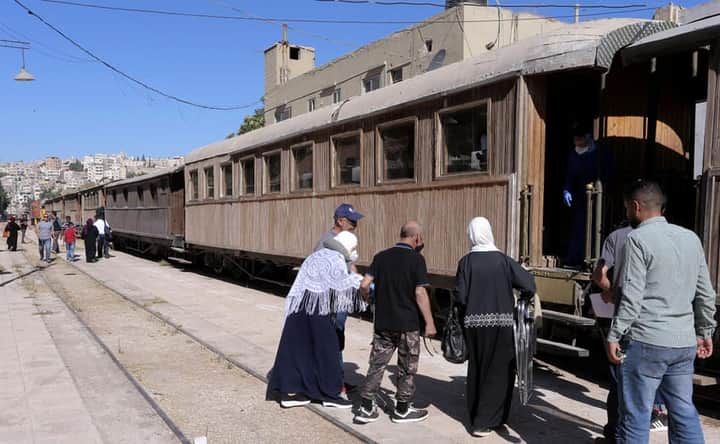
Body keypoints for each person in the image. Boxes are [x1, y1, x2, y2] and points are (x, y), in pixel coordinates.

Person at [607, 180, 716, 444]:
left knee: (636, 417)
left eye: (626, 209)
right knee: (684, 412)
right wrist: (705, 331)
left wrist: (614, 334)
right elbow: (706, 293)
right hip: (683, 343)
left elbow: (632, 296)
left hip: (647, 342)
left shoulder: (637, 239)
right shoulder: (691, 238)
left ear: (636, 207)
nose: (626, 215)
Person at [453, 217, 536, 437]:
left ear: (471, 234)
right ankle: (490, 419)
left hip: (474, 325)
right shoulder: (503, 260)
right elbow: (529, 284)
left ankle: (476, 417)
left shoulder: (466, 262)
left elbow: (460, 297)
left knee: (478, 369)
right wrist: (522, 300)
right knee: (500, 372)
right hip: (502, 324)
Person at [268, 231, 366, 409]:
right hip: (316, 310)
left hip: (299, 307)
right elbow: (341, 284)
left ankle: (291, 392)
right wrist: (361, 281)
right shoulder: (335, 258)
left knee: (299, 350)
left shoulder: (317, 255)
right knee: (326, 349)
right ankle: (328, 394)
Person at [592, 222, 668, 443]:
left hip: (628, 321)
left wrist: (612, 291)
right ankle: (656, 414)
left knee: (620, 382)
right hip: (661, 321)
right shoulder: (675, 235)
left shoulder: (618, 236)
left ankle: (616, 436)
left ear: (633, 207)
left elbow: (599, 274)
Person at [354, 221, 437, 424]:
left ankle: (366, 407)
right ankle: (402, 409)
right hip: (407, 324)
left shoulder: (381, 257)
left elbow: (364, 284)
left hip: (383, 322)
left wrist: (369, 299)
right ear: (416, 238)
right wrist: (430, 322)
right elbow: (419, 292)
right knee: (407, 367)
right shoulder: (417, 259)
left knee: (377, 364)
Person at [314, 203, 365, 394]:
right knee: (332, 339)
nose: (355, 226)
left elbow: (350, 266)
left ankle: (338, 378)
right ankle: (332, 382)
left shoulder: (345, 240)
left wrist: (359, 282)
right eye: (352, 222)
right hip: (331, 301)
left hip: (341, 299)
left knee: (338, 339)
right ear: (340, 221)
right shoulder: (326, 242)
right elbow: (320, 272)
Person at [562, 124, 611, 267]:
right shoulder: (574, 153)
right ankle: (574, 259)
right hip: (579, 196)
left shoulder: (600, 153)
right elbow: (569, 174)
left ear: (587, 138)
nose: (576, 142)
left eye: (578, 139)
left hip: (596, 196)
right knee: (578, 228)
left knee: (595, 228)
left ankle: (590, 261)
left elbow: (607, 174)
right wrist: (567, 189)